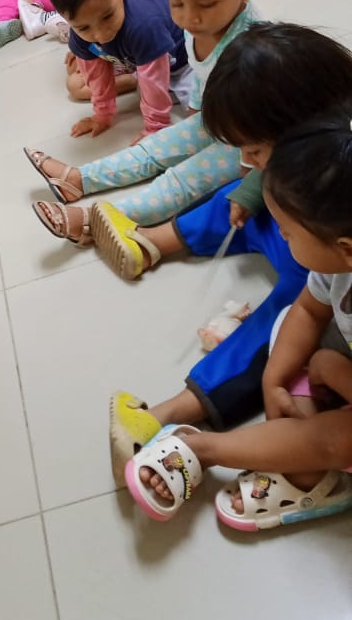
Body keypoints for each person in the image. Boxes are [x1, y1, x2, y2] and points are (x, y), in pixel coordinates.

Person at [108, 24, 352, 483]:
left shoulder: (329, 244)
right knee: (237, 198)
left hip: (318, 251)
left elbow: (307, 309)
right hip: (315, 239)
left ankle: (183, 408)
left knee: (286, 309)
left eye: (255, 150)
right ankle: (152, 241)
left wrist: (326, 370)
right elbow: (309, 311)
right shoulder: (318, 154)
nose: (247, 160)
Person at [124, 111, 352, 531]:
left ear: (345, 247)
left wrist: (333, 371)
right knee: (288, 331)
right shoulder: (336, 263)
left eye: (287, 233)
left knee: (335, 438)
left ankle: (208, 449)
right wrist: (274, 378)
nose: (281, 238)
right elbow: (307, 310)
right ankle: (296, 453)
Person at [25, 0, 264, 272]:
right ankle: (79, 179)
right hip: (218, 117)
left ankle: (93, 220)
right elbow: (202, 75)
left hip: (253, 140)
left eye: (205, 3)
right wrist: (196, 114)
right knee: (154, 148)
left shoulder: (251, 48)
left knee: (181, 180)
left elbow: (266, 124)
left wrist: (252, 174)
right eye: (177, 2)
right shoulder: (194, 27)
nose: (189, 17)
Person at [42, 0, 192, 148]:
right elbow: (96, 76)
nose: (100, 35)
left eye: (107, 17)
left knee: (204, 114)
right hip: (143, 64)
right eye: (84, 27)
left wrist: (156, 126)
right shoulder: (80, 35)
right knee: (77, 81)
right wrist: (102, 115)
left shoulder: (143, 24)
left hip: (186, 62)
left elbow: (153, 79)